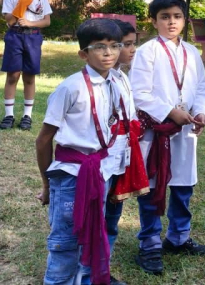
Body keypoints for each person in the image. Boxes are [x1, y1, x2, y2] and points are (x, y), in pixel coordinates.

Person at [34, 18, 127, 285]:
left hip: (100, 172)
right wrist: (47, 184)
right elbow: (43, 140)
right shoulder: (70, 87)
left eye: (114, 45)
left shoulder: (116, 82)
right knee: (66, 240)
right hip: (71, 175)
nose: (108, 52)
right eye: (99, 47)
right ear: (83, 54)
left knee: (92, 234)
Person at [131, 0, 205, 276]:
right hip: (156, 132)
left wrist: (201, 113)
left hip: (185, 130)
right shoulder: (147, 51)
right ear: (154, 21)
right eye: (164, 17)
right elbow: (139, 93)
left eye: (177, 16)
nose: (171, 22)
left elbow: (201, 88)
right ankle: (150, 242)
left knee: (183, 185)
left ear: (185, 20)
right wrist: (169, 112)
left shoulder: (192, 52)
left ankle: (178, 237)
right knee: (152, 187)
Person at [104, 20, 149, 285]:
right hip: (102, 163)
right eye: (127, 45)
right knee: (95, 220)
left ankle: (102, 271)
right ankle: (85, 273)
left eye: (134, 44)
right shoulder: (100, 81)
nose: (133, 50)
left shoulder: (122, 77)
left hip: (120, 159)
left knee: (112, 218)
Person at [2, 0, 52, 130]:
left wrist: (31, 23)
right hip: (15, 36)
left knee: (29, 76)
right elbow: (10, 21)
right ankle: (8, 115)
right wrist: (21, 4)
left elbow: (46, 21)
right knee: (13, 75)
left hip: (33, 37)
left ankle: (27, 116)